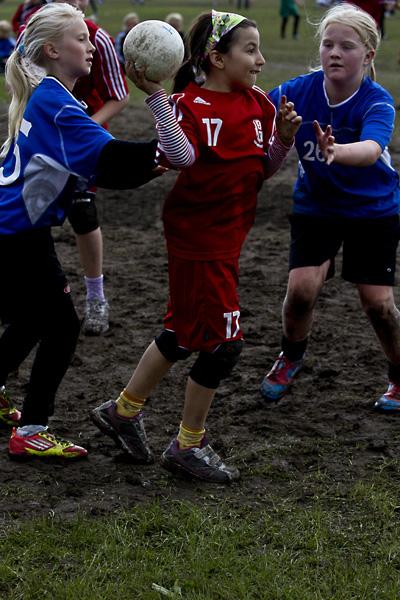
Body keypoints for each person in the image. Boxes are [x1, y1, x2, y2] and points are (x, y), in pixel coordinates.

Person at [91, 10, 301, 483]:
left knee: (182, 334)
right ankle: (188, 445)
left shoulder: (260, 105)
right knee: (225, 346)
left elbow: (261, 168)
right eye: (250, 50)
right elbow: (182, 158)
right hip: (198, 238)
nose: (261, 60)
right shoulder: (188, 104)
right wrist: (157, 99)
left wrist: (284, 141)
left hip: (227, 236)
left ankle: (123, 411)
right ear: (217, 58)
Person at [0, 2, 193, 459]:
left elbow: (109, 168)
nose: (92, 45)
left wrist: (154, 157)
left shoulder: (47, 93)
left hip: (14, 231)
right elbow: (115, 164)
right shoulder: (58, 106)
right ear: (53, 50)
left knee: (33, 319)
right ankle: (31, 431)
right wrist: (163, 132)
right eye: (82, 38)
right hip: (15, 234)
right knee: (62, 324)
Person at [259, 4, 400, 413]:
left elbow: (371, 148)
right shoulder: (297, 92)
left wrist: (338, 150)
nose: (334, 53)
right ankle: (290, 357)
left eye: (346, 46)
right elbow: (253, 110)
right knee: (301, 292)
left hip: (372, 211)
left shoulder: (377, 101)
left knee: (378, 305)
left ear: (368, 55)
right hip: (317, 207)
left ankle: (398, 374)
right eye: (327, 44)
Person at [48, 0, 130, 336]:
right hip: (42, 136)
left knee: (82, 211)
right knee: (27, 214)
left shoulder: (99, 38)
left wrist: (83, 128)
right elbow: (17, 83)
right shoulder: (35, 30)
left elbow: (119, 95)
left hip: (82, 138)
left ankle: (96, 297)